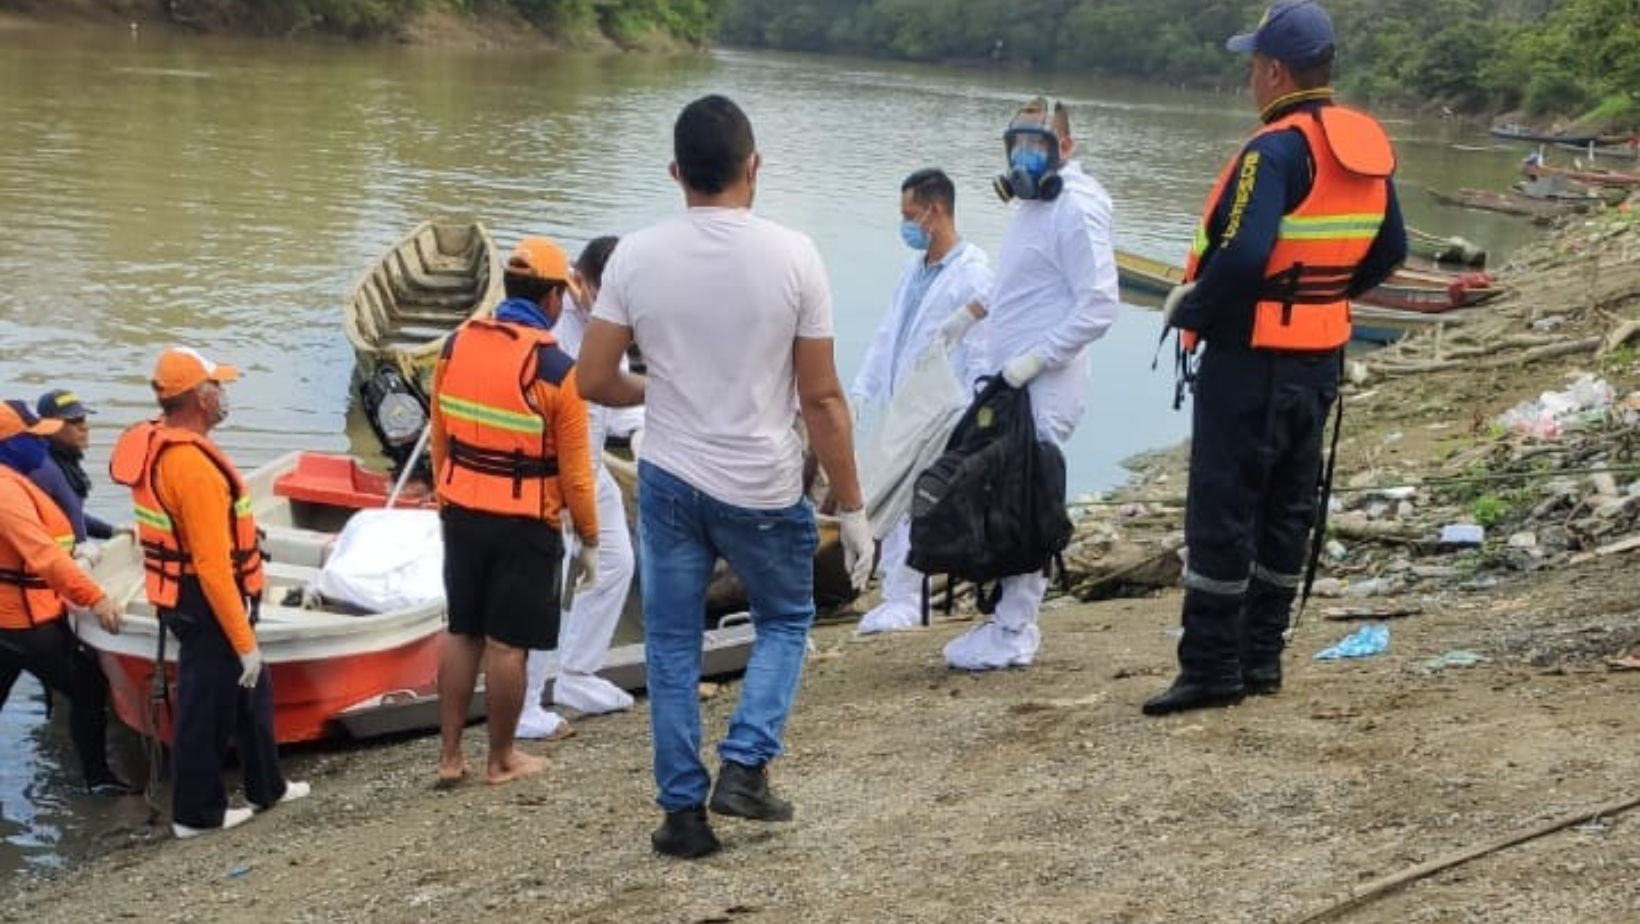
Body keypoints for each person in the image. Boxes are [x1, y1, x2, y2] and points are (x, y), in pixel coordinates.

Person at [577, 94, 874, 860]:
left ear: (676, 172)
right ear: (754, 167)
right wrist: (854, 504)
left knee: (670, 646)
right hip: (761, 484)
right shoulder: (795, 256)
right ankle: (743, 765)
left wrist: (663, 389)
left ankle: (683, 816)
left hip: (670, 478)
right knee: (784, 620)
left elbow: (592, 379)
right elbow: (821, 397)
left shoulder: (636, 256)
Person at [1144, 0, 1407, 716]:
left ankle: (1210, 669)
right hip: (1318, 361)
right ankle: (1262, 659)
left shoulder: (1275, 151)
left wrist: (1193, 308)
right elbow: (1391, 251)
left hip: (1251, 363)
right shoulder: (1363, 148)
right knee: (1287, 511)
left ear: (1274, 70)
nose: (1252, 80)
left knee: (1223, 514)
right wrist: (1320, 295)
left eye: (1254, 66)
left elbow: (1248, 253)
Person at [936, 95, 1121, 671]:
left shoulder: (1077, 208)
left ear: (1065, 147)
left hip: (1045, 384)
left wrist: (1037, 359)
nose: (1024, 156)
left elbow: (1099, 305)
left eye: (1036, 145)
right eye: (1016, 145)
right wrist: (972, 311)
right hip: (1010, 381)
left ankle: (1016, 629)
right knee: (1001, 495)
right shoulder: (1033, 208)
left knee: (1027, 499)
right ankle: (1003, 619)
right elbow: (1023, 280)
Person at [108, 347, 311, 836]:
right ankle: (196, 815)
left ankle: (268, 786)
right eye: (217, 386)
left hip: (187, 594)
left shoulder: (161, 445)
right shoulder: (191, 467)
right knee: (206, 706)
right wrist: (244, 643)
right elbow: (213, 567)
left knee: (251, 696)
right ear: (200, 398)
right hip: (206, 599)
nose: (224, 395)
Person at [429, 235, 600, 785]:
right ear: (552, 298)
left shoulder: (455, 346)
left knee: (463, 632)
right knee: (507, 645)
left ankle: (450, 756)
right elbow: (576, 473)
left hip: (461, 511)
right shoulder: (556, 370)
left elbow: (440, 436)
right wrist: (591, 539)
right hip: (525, 521)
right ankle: (501, 759)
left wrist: (445, 498)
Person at [849, 167, 993, 636]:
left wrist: (967, 417)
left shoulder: (973, 273)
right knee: (889, 492)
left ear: (935, 211)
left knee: (917, 500)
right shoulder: (916, 270)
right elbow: (890, 333)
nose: (906, 225)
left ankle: (908, 597)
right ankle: (894, 591)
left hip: (938, 407)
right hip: (900, 401)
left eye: (910, 215)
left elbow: (979, 351)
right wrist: (862, 389)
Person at [516, 235, 639, 741]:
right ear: (579, 282)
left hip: (590, 466)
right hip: (550, 471)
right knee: (552, 585)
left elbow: (620, 399)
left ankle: (576, 673)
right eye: (602, 294)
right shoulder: (550, 324)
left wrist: (642, 430)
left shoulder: (612, 321)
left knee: (616, 562)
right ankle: (526, 703)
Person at [0, 402, 136, 796]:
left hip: (14, 620)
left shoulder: (13, 480)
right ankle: (97, 780)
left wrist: (95, 543)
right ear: (10, 442)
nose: (41, 441)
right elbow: (42, 554)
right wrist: (95, 598)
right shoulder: (7, 490)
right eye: (33, 436)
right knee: (89, 687)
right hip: (26, 624)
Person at [36, 389, 122, 543]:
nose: (85, 427)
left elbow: (70, 513)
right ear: (48, 426)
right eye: (74, 421)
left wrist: (109, 530)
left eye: (83, 419)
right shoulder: (41, 470)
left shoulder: (65, 462)